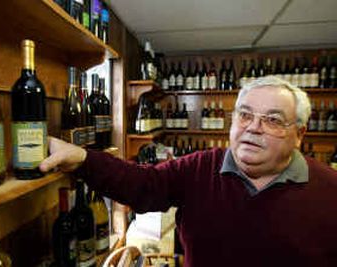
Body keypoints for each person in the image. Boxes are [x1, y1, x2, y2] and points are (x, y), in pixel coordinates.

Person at [40, 76, 337, 267]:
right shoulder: (200, 167)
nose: (253, 127)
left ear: (299, 133)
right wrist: (82, 158)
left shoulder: (330, 190)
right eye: (245, 115)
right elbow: (142, 184)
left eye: (272, 120)